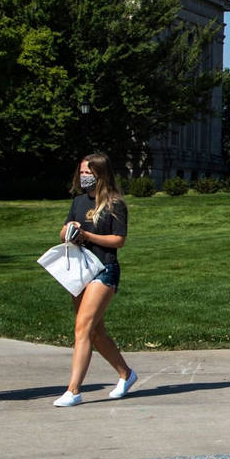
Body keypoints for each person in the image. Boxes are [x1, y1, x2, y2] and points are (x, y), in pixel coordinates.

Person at [54, 151, 138, 407]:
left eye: (88, 173)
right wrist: (69, 232)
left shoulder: (115, 204)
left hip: (104, 269)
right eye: (81, 172)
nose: (84, 177)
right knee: (96, 333)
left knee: (83, 328)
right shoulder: (79, 201)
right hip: (80, 269)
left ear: (100, 175)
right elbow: (64, 228)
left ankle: (73, 390)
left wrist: (88, 237)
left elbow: (118, 241)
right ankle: (126, 374)